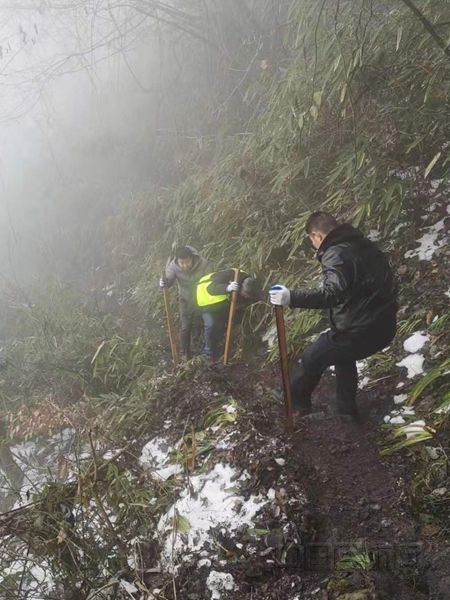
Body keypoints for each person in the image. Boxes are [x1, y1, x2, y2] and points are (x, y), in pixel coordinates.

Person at [269, 211, 397, 420]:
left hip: (363, 329)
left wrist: (291, 297)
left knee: (313, 356)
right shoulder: (363, 245)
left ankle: (294, 402)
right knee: (343, 355)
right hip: (384, 325)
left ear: (316, 236)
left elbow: (332, 293)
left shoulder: (336, 252)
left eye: (312, 240)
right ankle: (346, 411)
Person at [195, 269, 261, 360]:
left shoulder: (248, 281)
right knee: (210, 324)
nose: (245, 297)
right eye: (245, 294)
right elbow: (210, 289)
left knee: (220, 326)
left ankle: (218, 348)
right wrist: (227, 287)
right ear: (241, 287)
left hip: (222, 302)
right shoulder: (227, 275)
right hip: (207, 301)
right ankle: (208, 352)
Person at [160, 245, 209, 360]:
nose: (184, 266)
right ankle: (184, 352)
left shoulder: (203, 264)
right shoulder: (173, 266)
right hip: (185, 300)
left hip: (201, 298)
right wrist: (164, 282)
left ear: (192, 258)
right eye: (181, 263)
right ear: (177, 261)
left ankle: (197, 349)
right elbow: (169, 279)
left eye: (187, 262)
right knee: (185, 326)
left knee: (197, 323)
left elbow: (210, 279)